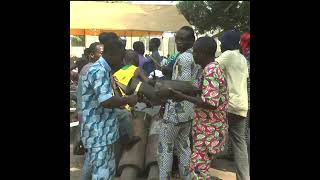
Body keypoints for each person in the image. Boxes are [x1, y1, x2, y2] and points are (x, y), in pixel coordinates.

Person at [169, 37, 229, 179]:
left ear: (203, 53)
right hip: (208, 130)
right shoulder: (210, 68)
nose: (193, 55)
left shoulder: (211, 71)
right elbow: (201, 90)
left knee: (197, 171)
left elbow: (210, 103)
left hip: (209, 131)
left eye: (195, 52)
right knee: (199, 168)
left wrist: (183, 97)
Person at [80, 37, 138, 180]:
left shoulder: (105, 70)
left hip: (105, 131)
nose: (123, 61)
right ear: (112, 54)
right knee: (102, 174)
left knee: (108, 171)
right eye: (121, 57)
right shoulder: (98, 70)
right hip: (97, 132)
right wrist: (128, 100)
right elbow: (106, 101)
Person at [157, 26, 200, 180]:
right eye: (177, 39)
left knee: (165, 147)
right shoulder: (195, 56)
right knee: (184, 146)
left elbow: (181, 86)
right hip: (188, 110)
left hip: (176, 110)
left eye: (183, 39)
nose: (179, 42)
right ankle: (187, 177)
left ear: (192, 40)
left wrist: (163, 92)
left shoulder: (184, 58)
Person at [216, 30, 250, 180]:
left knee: (210, 135)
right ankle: (244, 177)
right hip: (242, 105)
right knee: (239, 142)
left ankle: (201, 171)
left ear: (227, 43)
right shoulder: (242, 58)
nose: (221, 45)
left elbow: (211, 68)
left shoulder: (228, 55)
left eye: (222, 42)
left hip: (229, 105)